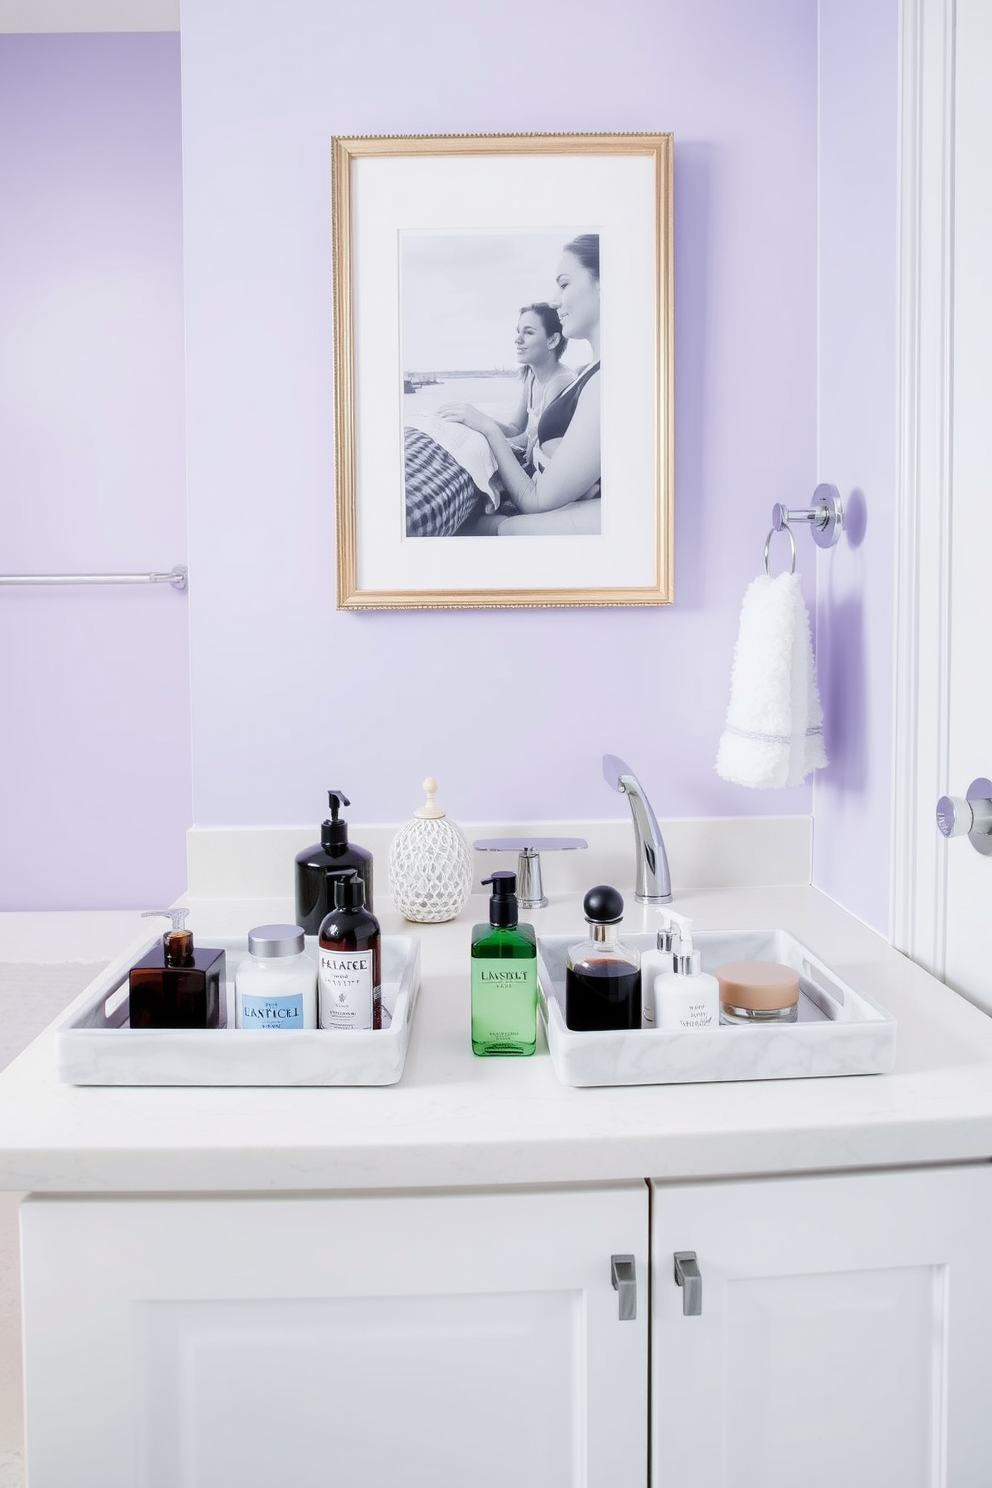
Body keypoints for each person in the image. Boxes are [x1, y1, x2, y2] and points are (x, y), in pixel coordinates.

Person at [438, 234, 601, 536]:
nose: (555, 299)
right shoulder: (590, 374)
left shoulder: (590, 383)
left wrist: (486, 427)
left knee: (469, 527)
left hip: (543, 499)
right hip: (549, 494)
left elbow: (537, 499)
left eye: (564, 284)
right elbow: (519, 431)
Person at [490, 303, 576, 470]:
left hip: (546, 474)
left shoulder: (560, 383)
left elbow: (537, 441)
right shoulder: (531, 377)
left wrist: (486, 430)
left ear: (553, 340)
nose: (518, 340)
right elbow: (515, 430)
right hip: (531, 466)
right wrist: (475, 422)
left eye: (528, 332)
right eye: (518, 332)